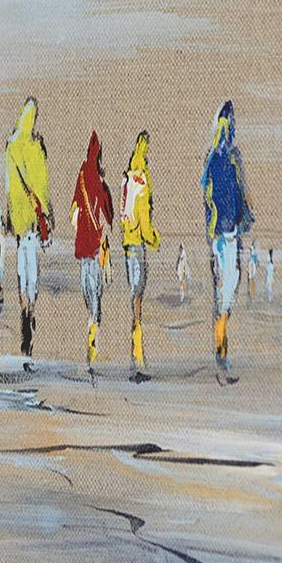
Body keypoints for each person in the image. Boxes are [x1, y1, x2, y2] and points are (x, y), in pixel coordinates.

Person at [201, 101, 253, 384]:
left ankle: (221, 352)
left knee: (227, 292)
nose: (229, 130)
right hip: (224, 237)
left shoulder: (227, 158)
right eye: (227, 124)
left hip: (228, 234)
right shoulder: (220, 159)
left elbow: (238, 193)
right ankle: (221, 356)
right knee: (225, 293)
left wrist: (243, 217)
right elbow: (214, 197)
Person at [5, 98, 53, 365]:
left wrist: (9, 217)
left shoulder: (11, 147)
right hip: (33, 224)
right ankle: (30, 311)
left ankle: (24, 309)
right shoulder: (36, 148)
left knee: (22, 272)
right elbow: (42, 188)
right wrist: (48, 215)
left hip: (18, 224)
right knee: (32, 273)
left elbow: (8, 186)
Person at [69, 131, 114, 370]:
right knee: (95, 289)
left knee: (87, 287)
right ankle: (93, 331)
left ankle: (92, 322)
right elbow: (109, 214)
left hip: (83, 244)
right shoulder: (99, 181)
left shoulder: (81, 177)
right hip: (95, 244)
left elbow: (74, 210)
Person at [122, 131, 160, 381]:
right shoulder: (142, 180)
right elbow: (144, 218)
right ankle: (137, 358)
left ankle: (136, 356)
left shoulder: (126, 179)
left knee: (134, 298)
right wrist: (154, 239)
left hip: (127, 244)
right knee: (137, 301)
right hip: (138, 245)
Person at [246, 239, 260, 305]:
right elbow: (252, 257)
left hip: (252, 263)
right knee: (251, 278)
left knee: (252, 279)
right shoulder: (253, 250)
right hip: (252, 264)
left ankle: (251, 293)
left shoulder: (254, 251)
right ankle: (251, 294)